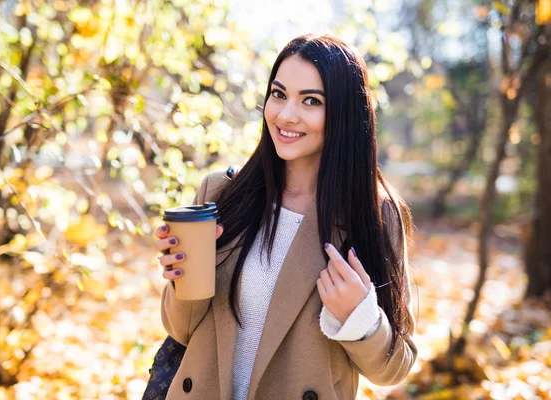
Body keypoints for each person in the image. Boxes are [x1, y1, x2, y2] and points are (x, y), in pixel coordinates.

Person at [153, 33, 417, 400]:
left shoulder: (373, 216)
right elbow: (180, 330)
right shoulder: (219, 196)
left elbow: (393, 368)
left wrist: (361, 318)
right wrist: (184, 275)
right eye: (278, 94)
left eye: (311, 101)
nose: (285, 114)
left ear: (343, 113)